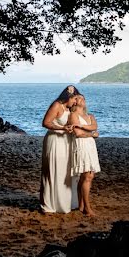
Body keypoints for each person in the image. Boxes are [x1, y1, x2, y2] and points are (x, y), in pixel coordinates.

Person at [39, 85, 81, 213]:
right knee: (54, 170)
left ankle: (65, 203)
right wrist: (62, 128)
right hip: (55, 141)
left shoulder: (69, 109)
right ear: (69, 97)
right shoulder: (57, 105)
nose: (75, 102)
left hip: (66, 141)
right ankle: (51, 204)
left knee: (65, 171)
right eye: (74, 99)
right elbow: (45, 123)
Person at [68, 94, 100, 216]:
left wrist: (81, 125)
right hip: (81, 145)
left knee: (86, 176)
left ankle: (81, 205)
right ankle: (87, 207)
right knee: (87, 176)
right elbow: (78, 133)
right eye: (80, 98)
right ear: (75, 102)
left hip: (91, 146)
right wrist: (92, 134)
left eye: (84, 98)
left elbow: (94, 126)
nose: (83, 100)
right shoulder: (73, 115)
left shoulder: (89, 115)